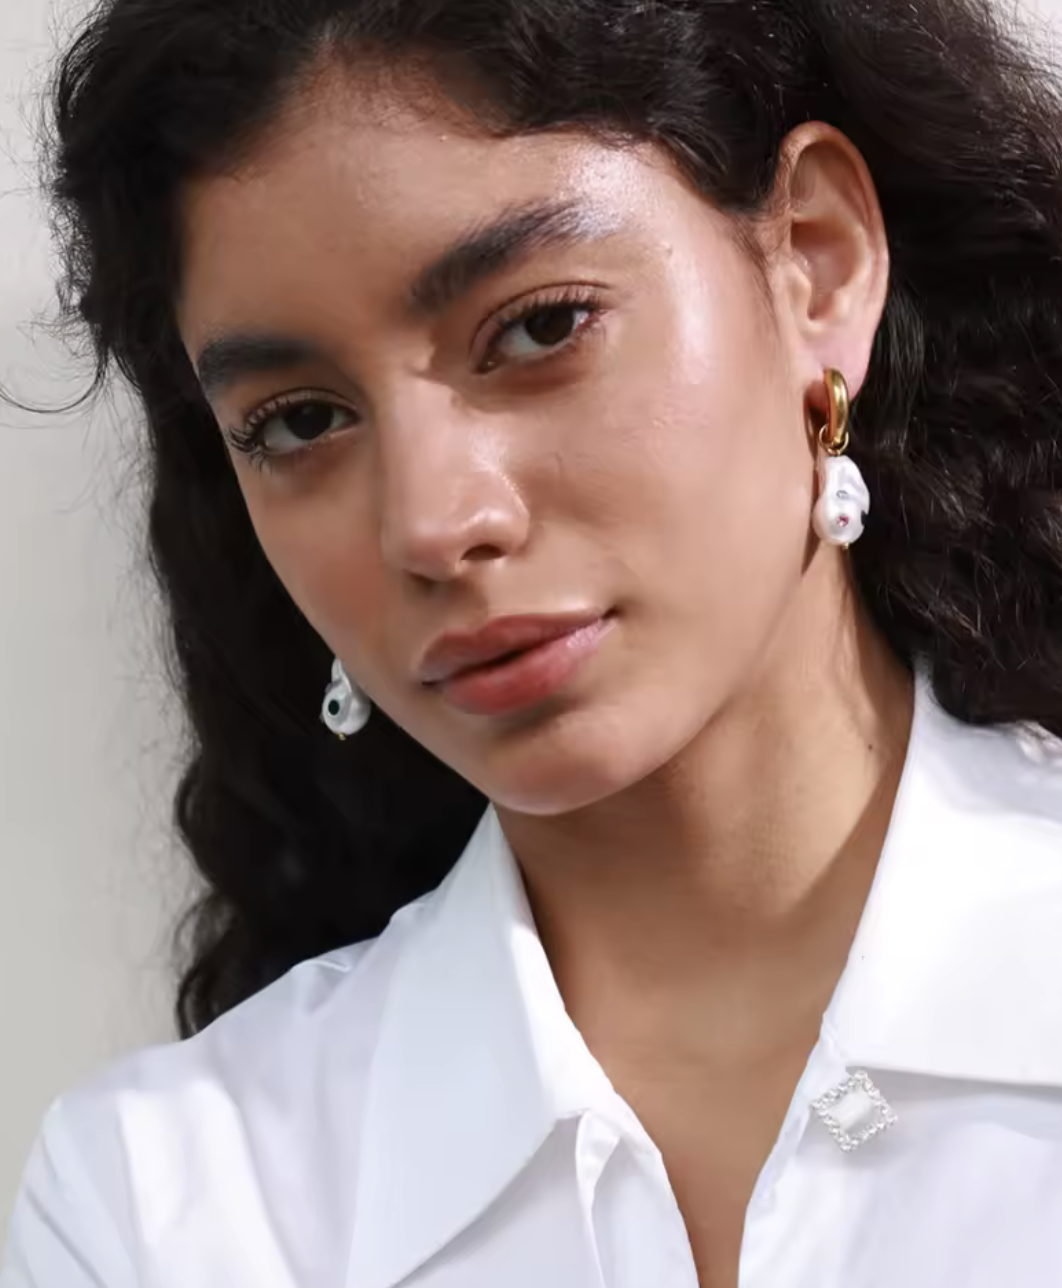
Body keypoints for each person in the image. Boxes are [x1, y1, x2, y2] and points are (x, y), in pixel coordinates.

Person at [3, 0, 1062, 1283]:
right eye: (301, 422)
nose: (433, 523)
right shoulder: (164, 1203)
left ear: (817, 264)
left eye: (541, 326)